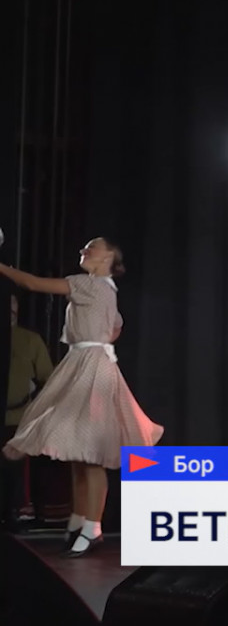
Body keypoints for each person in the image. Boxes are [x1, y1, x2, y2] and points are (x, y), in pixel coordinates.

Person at [0, 238, 162, 556]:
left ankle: (91, 527)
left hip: (89, 367)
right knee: (80, 451)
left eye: (92, 247)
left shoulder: (89, 285)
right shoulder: (106, 289)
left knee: (91, 455)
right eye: (84, 248)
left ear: (109, 256)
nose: (83, 251)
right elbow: (116, 326)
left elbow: (32, 283)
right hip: (86, 362)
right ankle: (79, 520)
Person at [4, 294, 54, 530]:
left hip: (17, 417)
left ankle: (11, 513)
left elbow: (48, 379)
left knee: (12, 471)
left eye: (12, 302)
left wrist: (35, 409)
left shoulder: (30, 340)